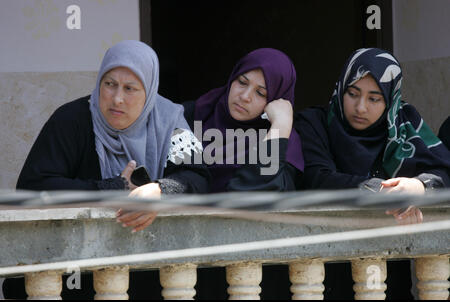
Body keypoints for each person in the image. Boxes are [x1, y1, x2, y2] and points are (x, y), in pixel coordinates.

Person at [16, 40, 210, 232]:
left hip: (154, 252)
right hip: (81, 248)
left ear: (149, 91)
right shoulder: (72, 120)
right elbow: (32, 187)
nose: (117, 99)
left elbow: (198, 177)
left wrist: (160, 191)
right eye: (110, 84)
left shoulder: (171, 121)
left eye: (130, 88)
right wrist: (108, 189)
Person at [294, 48, 450, 225]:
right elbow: (318, 178)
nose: (361, 107)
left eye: (374, 99)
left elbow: (444, 173)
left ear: (389, 101)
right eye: (352, 94)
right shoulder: (314, 123)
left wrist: (418, 187)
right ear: (342, 88)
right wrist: (381, 191)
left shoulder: (404, 124)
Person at [182, 48, 304, 193]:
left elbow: (253, 194)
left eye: (260, 93)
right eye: (242, 82)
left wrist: (280, 126)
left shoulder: (284, 144)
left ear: (276, 100)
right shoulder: (194, 114)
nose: (245, 96)